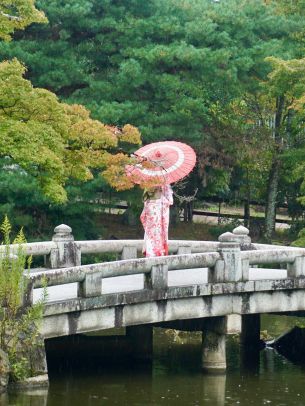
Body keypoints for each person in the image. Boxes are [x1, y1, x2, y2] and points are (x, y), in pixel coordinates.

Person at [140, 184, 173, 257]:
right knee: (157, 252)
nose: (160, 193)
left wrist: (147, 227)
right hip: (159, 231)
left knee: (151, 251)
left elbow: (142, 217)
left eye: (161, 190)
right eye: (160, 190)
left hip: (150, 233)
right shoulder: (163, 203)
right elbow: (170, 201)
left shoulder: (147, 203)